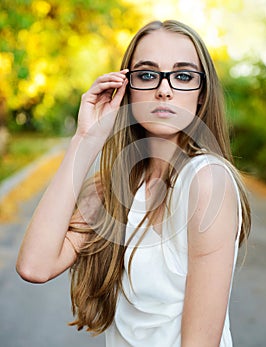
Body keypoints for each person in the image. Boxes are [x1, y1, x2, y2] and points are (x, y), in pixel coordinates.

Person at [16, 20, 251, 346]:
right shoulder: (109, 189)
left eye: (183, 76)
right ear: (126, 88)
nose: (164, 89)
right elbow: (35, 265)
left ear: (201, 94)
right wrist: (86, 138)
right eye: (147, 74)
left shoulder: (207, 181)